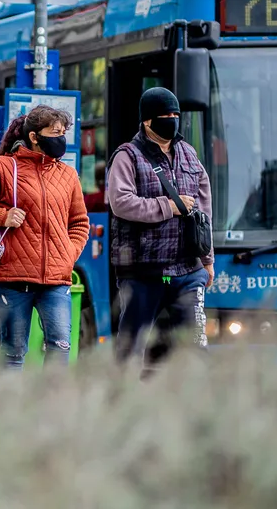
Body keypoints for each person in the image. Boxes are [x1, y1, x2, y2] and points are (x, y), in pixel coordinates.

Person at [0, 105, 90, 369]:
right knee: (14, 353)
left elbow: (79, 222)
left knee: (61, 346)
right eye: (54, 133)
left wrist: (67, 255)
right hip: (13, 280)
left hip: (56, 280)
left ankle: (51, 408)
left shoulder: (67, 175)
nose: (61, 138)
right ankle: (12, 408)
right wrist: (1, 216)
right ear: (34, 136)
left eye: (63, 133)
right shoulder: (4, 168)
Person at [108, 87, 214, 366]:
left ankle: (200, 405)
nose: (172, 119)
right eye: (165, 115)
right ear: (146, 121)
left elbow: (203, 211)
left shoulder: (189, 154)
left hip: (188, 270)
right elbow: (121, 203)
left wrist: (207, 259)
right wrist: (168, 206)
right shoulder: (127, 156)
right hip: (144, 271)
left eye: (175, 114)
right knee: (131, 347)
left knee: (196, 346)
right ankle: (122, 400)